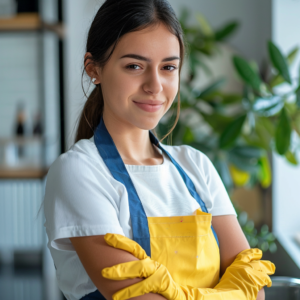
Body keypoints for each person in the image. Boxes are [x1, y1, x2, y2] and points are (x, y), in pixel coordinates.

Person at [43, 1, 274, 300]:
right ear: (94, 69)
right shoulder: (80, 172)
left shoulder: (197, 165)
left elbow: (254, 288)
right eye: (134, 66)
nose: (155, 85)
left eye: (168, 67)